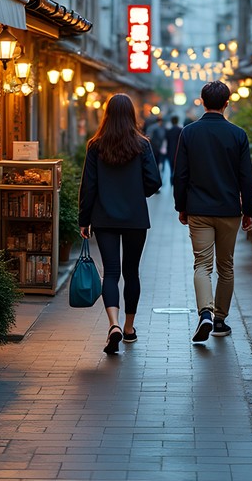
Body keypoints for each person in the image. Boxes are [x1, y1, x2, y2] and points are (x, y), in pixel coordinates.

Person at [78, 93, 162, 355]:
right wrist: (139, 194)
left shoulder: (96, 146)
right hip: (136, 218)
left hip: (104, 218)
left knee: (111, 272)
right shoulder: (142, 145)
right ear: (131, 115)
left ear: (107, 114)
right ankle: (128, 328)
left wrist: (84, 219)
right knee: (132, 272)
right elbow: (155, 181)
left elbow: (88, 186)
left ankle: (112, 324)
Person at [172, 81, 252, 343]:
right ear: (227, 103)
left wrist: (181, 206)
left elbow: (180, 175)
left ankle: (205, 312)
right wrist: (249, 210)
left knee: (202, 265)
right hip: (229, 209)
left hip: (198, 209)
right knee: (226, 266)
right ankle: (220, 319)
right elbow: (246, 177)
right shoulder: (238, 134)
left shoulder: (189, 132)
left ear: (202, 101)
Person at [144, 114, 167, 186]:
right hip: (158, 149)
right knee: (159, 164)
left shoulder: (152, 128)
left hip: (154, 149)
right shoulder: (162, 128)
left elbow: (148, 137)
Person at [164, 114, 183, 180]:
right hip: (178, 151)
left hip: (170, 151)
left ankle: (172, 176)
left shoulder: (169, 131)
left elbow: (167, 141)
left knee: (171, 166)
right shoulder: (181, 130)